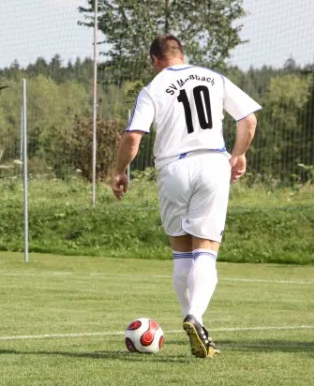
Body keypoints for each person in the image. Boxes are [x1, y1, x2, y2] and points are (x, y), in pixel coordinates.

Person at [111, 34, 260, 358]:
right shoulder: (214, 78)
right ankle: (197, 317)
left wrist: (120, 171)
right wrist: (238, 155)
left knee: (181, 253)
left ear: (154, 60)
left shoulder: (152, 88)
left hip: (173, 169)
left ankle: (194, 318)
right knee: (205, 250)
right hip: (212, 164)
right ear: (183, 53)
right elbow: (248, 120)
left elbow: (133, 137)